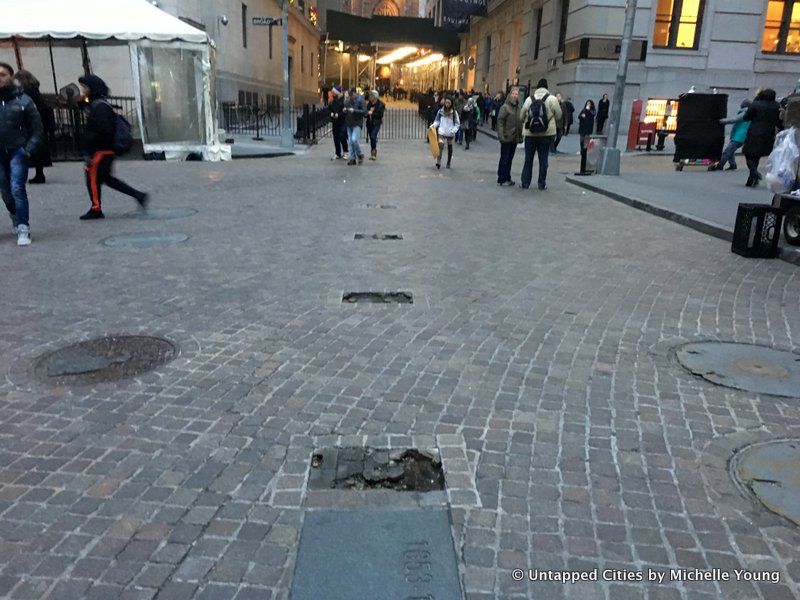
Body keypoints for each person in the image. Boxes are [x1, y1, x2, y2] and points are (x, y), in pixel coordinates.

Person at [78, 74, 148, 220]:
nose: (83, 91)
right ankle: (138, 195)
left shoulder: (100, 107)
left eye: (85, 88)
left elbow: (103, 130)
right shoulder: (100, 105)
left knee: (93, 178)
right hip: (104, 149)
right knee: (106, 179)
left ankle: (96, 208)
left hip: (100, 150)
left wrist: (90, 143)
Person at [0, 62, 43, 246]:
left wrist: (28, 149)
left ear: (11, 76)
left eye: (2, 74)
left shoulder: (24, 100)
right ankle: (15, 217)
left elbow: (37, 128)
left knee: (17, 187)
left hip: (18, 149)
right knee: (5, 192)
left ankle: (23, 227)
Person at [14, 70, 55, 184]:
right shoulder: (33, 89)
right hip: (38, 122)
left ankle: (32, 174)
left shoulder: (28, 92)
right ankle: (38, 173)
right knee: (36, 149)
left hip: (32, 123)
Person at [520, 78, 562, 190]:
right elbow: (558, 115)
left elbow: (521, 115)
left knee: (528, 159)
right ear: (546, 87)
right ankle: (541, 184)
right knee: (543, 160)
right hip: (546, 134)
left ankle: (525, 183)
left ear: (537, 88)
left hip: (530, 134)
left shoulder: (529, 99)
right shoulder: (552, 99)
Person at [742, 88, 781, 187]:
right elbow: (779, 120)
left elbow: (746, 117)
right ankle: (751, 179)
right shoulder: (776, 106)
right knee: (757, 155)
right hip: (769, 132)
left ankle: (754, 172)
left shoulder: (756, 104)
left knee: (748, 153)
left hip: (755, 131)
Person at [711, 99, 751, 171]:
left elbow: (734, 119)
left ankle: (720, 166)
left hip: (739, 136)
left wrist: (722, 121)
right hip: (740, 136)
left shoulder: (745, 113)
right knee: (731, 151)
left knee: (727, 151)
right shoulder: (749, 113)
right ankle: (733, 165)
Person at [496, 86, 522, 186]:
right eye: (513, 94)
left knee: (510, 158)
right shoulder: (505, 107)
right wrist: (501, 136)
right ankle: (501, 178)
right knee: (504, 158)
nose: (515, 96)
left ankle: (507, 176)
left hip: (514, 137)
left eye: (516, 94)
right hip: (507, 136)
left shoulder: (518, 107)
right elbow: (500, 122)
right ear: (510, 94)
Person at [432, 96, 460, 169]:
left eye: (449, 102)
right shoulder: (440, 111)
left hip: (450, 133)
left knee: (450, 148)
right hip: (441, 132)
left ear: (451, 104)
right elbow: (437, 120)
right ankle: (438, 161)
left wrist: (453, 130)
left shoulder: (454, 112)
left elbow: (457, 124)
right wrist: (433, 126)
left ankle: (448, 162)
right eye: (446, 102)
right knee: (440, 145)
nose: (447, 104)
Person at [343, 87, 367, 165]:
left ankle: (359, 154)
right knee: (350, 141)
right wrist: (344, 111)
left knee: (354, 140)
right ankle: (353, 158)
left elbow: (364, 111)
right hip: (349, 123)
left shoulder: (360, 100)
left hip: (357, 123)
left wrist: (354, 111)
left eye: (351, 95)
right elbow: (345, 110)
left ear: (354, 93)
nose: (350, 97)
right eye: (349, 95)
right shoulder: (347, 100)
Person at [328, 86, 348, 160]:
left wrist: (338, 114)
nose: (332, 93)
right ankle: (338, 153)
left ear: (337, 92)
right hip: (335, 121)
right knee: (336, 137)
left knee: (342, 136)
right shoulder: (333, 100)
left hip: (343, 121)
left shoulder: (344, 100)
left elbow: (345, 111)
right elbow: (329, 109)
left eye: (334, 92)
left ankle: (345, 152)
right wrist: (331, 114)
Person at [365, 90, 385, 160]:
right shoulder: (369, 104)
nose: (370, 97)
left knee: (373, 137)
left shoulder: (381, 104)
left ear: (375, 97)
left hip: (376, 123)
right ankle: (373, 150)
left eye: (371, 95)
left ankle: (374, 152)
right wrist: (366, 113)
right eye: (370, 95)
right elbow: (366, 112)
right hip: (369, 123)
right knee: (372, 138)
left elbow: (380, 115)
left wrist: (372, 113)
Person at [577, 100, 596, 174]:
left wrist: (588, 111)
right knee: (581, 140)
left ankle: (585, 151)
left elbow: (593, 115)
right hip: (582, 128)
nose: (588, 105)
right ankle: (582, 150)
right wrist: (582, 116)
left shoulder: (592, 110)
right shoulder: (583, 110)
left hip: (588, 128)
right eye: (587, 103)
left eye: (589, 103)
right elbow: (579, 116)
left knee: (586, 141)